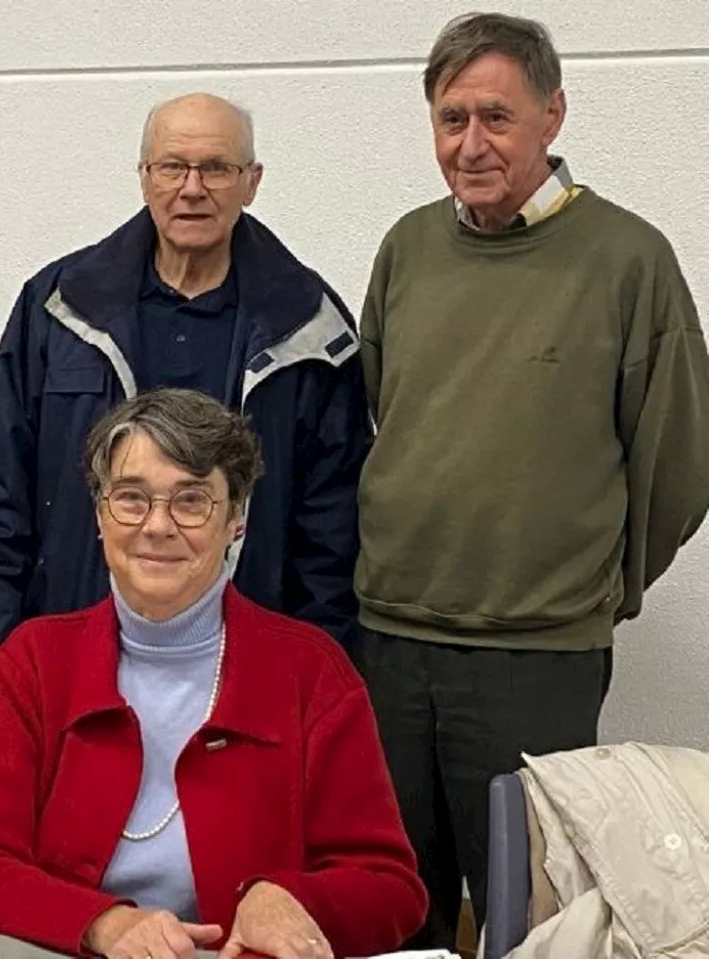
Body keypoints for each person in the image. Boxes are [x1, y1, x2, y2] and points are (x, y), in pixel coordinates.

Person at [355, 12, 709, 949]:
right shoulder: (407, 248)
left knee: (534, 915)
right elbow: (385, 415)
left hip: (536, 655)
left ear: (553, 115)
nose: (471, 144)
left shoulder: (629, 260)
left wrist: (594, 591)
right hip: (391, 641)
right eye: (451, 118)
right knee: (394, 905)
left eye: (497, 118)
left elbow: (679, 464)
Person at [0, 388, 426, 959]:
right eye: (131, 498)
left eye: (192, 501)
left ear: (237, 519)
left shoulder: (312, 672)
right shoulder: (36, 662)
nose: (158, 525)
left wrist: (291, 898)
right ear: (100, 515)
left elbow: (393, 890)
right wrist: (105, 925)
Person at [0, 92, 369, 693]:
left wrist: (317, 671)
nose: (192, 188)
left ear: (252, 183)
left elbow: (334, 525)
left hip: (248, 670)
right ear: (144, 178)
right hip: (74, 650)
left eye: (216, 168)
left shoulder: (310, 328)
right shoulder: (59, 306)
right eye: (172, 166)